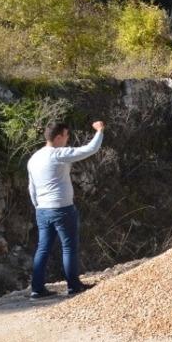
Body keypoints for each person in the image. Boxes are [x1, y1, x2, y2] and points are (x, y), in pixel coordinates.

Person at [27, 120, 105, 299]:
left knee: (43, 249)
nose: (68, 139)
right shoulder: (57, 154)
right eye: (66, 135)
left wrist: (38, 206)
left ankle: (37, 289)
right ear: (58, 137)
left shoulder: (34, 158)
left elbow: (31, 188)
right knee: (69, 247)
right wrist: (99, 131)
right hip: (62, 209)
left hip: (42, 210)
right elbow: (89, 149)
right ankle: (74, 286)